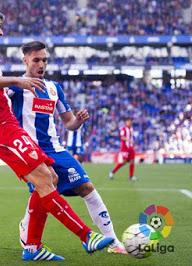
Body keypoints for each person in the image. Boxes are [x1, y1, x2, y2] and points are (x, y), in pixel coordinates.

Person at [0, 5, 113, 262]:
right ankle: (86, 235)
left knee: (49, 177)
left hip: (1, 128)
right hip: (0, 128)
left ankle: (32, 247)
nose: (1, 32)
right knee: (45, 178)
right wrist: (15, 81)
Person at [9, 41, 126, 255]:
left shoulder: (54, 89)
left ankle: (113, 241)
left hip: (56, 149)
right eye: (36, 60)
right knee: (46, 187)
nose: (41, 64)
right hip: (30, 151)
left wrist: (78, 122)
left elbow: (69, 123)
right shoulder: (15, 87)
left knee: (87, 187)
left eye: (44, 60)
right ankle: (32, 235)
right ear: (25, 60)